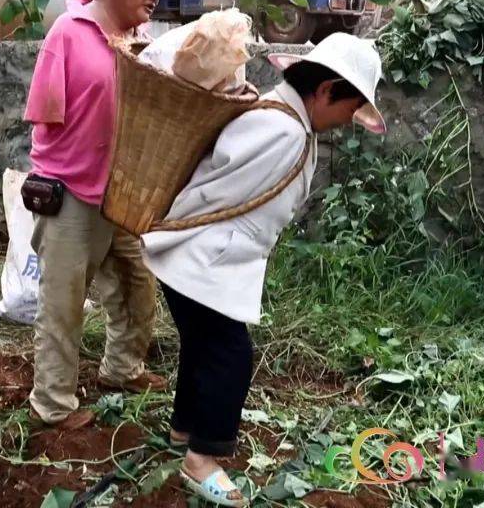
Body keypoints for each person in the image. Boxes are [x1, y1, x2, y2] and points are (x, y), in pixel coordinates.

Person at [141, 33, 386, 506]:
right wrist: (173, 233)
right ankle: (202, 460)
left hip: (209, 259)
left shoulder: (288, 120)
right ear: (327, 90)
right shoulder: (283, 130)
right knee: (230, 356)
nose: (346, 123)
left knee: (203, 346)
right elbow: (218, 192)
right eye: (348, 108)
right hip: (205, 259)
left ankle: (182, 431)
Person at [23, 0, 168, 430]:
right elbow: (44, 116)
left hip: (120, 193)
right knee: (63, 303)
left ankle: (121, 370)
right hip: (70, 196)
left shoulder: (138, 40)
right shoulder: (69, 31)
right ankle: (53, 404)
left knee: (136, 284)